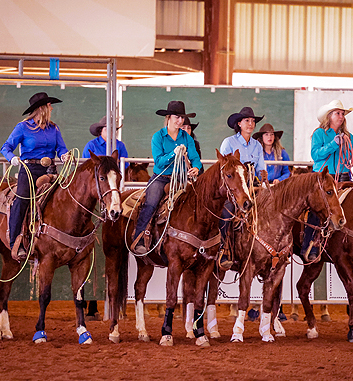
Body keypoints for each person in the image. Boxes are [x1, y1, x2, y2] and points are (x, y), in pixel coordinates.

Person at [1, 92, 70, 261]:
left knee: (64, 198)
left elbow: (61, 147)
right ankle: (16, 242)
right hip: (29, 168)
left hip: (49, 170)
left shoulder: (54, 128)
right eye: (49, 105)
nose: (51, 108)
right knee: (23, 199)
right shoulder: (23, 127)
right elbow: (6, 147)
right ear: (42, 108)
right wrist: (13, 158)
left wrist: (63, 155)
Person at [132, 100, 202, 254]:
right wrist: (174, 153)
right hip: (162, 177)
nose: (180, 121)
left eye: (182, 118)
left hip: (181, 178)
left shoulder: (187, 138)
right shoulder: (158, 137)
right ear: (169, 117)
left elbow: (195, 157)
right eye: (177, 117)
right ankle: (139, 238)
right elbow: (159, 161)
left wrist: (196, 168)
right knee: (151, 202)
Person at [301, 99, 353, 262]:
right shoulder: (319, 134)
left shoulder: (349, 136)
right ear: (329, 116)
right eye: (338, 113)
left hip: (344, 177)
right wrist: (333, 144)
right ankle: (310, 244)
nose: (341, 116)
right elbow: (316, 155)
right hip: (323, 178)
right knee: (316, 209)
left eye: (342, 114)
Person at [82, 116, 129, 321]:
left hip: (113, 191)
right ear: (100, 129)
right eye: (107, 128)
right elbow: (85, 170)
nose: (111, 131)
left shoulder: (120, 146)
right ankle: (90, 302)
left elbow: (123, 169)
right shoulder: (91, 146)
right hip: (97, 193)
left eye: (113, 128)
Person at [218, 107, 265, 270]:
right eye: (247, 121)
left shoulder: (257, 146)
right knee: (227, 212)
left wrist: (263, 173)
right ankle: (224, 249)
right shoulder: (228, 142)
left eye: (253, 121)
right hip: (234, 189)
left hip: (253, 186)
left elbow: (260, 168)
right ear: (239, 124)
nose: (251, 124)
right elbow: (223, 168)